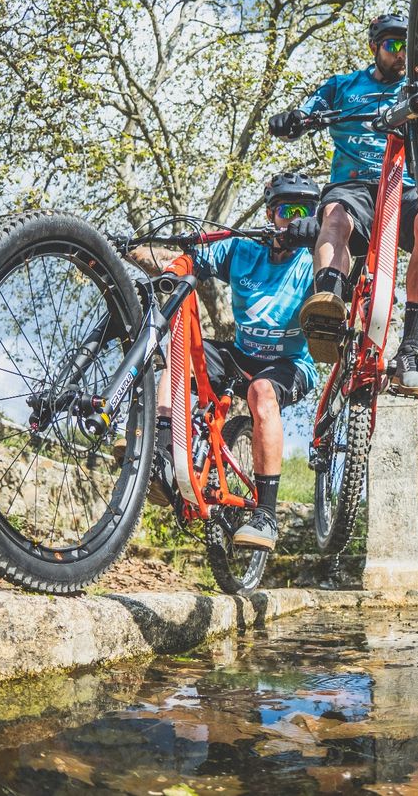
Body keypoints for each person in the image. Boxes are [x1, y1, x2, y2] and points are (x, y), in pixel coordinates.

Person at [127, 171, 321, 550]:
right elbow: (187, 260)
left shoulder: (314, 260)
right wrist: (140, 253)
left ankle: (265, 514)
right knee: (176, 354)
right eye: (287, 210)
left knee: (263, 393)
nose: (295, 219)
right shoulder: (242, 249)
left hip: (290, 364)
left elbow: (348, 273)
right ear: (270, 214)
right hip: (242, 353)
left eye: (305, 211)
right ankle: (162, 455)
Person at [268, 13, 418, 397]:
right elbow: (308, 112)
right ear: (373, 47)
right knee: (334, 215)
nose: (400, 54)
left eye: (406, 46)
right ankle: (328, 304)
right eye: (392, 45)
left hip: (403, 185)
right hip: (352, 187)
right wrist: (294, 119)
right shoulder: (342, 87)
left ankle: (411, 349)